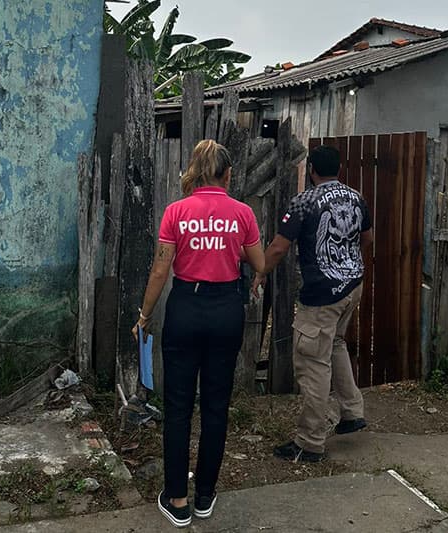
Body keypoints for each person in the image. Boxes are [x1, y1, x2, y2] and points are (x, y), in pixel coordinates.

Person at [132, 140, 264, 528]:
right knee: (216, 404)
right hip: (226, 311)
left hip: (185, 309)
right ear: (226, 174)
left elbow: (160, 270)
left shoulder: (177, 212)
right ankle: (205, 494)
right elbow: (258, 261)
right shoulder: (242, 212)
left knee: (177, 406)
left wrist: (144, 315)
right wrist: (228, 247)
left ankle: (177, 499)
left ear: (195, 171)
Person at [253, 144, 374, 462]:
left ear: (312, 171)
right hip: (352, 287)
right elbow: (368, 237)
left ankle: (309, 442)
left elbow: (279, 247)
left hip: (322, 296)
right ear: (338, 169)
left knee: (312, 364)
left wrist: (260, 273)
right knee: (334, 344)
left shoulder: (305, 201)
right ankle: (351, 412)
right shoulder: (356, 197)